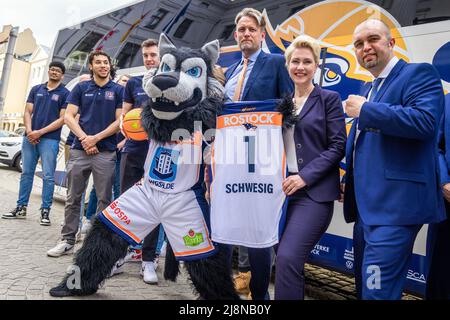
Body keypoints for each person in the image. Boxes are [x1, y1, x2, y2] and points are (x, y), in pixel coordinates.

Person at [343, 19, 445, 299]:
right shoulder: (369, 87)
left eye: (373, 39)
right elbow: (364, 144)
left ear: (391, 43)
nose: (366, 47)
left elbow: (425, 123)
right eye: (359, 44)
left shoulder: (418, 74)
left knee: (377, 293)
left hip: (394, 208)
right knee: (368, 289)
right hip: (367, 210)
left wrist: (366, 110)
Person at [222, 7, 293, 300]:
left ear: (262, 34)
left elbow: (289, 110)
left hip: (260, 157)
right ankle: (227, 290)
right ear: (236, 35)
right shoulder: (231, 71)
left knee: (258, 230)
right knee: (228, 225)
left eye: (252, 29)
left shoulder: (275, 63)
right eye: (242, 30)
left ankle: (261, 297)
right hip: (228, 157)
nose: (246, 34)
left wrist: (280, 153)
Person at [274, 35, 346, 300]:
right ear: (288, 65)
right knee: (280, 259)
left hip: (313, 194)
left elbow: (338, 146)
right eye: (295, 61)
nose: (300, 67)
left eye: (307, 61)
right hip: (280, 192)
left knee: (289, 257)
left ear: (316, 66)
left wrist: (304, 177)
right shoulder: (281, 104)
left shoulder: (329, 98)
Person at [47, 51, 123, 257]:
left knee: (104, 199)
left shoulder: (118, 90)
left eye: (106, 62)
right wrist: (84, 139)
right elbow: (69, 117)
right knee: (73, 198)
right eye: (98, 62)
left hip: (105, 152)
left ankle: (98, 245)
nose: (103, 65)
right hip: (80, 150)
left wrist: (95, 138)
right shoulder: (81, 88)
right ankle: (67, 240)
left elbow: (119, 122)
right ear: (91, 66)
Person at [2, 61, 69, 225]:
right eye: (52, 69)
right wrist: (30, 131)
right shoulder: (36, 89)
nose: (54, 72)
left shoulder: (65, 93)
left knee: (48, 176)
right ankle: (20, 208)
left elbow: (63, 119)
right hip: (29, 137)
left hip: (50, 139)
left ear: (62, 75)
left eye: (58, 71)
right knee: (26, 173)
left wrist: (40, 132)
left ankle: (45, 212)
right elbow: (27, 111)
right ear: (49, 71)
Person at [119, 39, 162, 284]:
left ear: (161, 55)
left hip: (158, 154)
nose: (148, 59)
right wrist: (126, 126)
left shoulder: (169, 82)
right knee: (127, 203)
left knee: (155, 207)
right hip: (133, 151)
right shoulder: (134, 82)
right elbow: (125, 114)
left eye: (153, 54)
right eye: (145, 55)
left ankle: (149, 259)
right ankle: (120, 254)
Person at [426, 93, 450, 300]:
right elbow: (436, 146)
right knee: (440, 268)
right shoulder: (447, 100)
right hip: (447, 200)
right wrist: (444, 182)